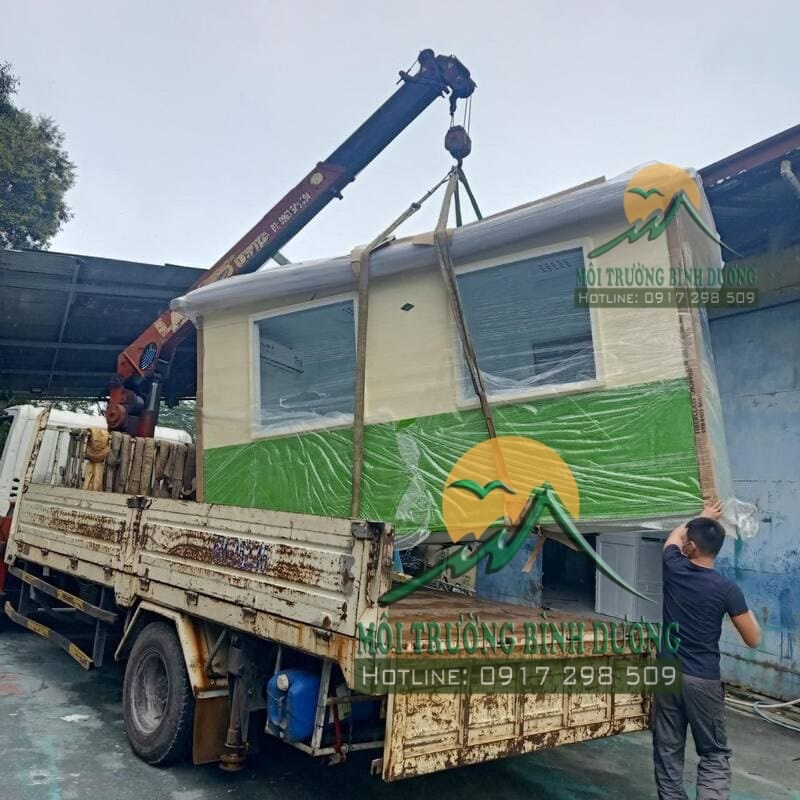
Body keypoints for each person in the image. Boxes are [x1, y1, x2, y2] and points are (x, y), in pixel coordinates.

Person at [652, 500, 761, 800]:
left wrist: (703, 516)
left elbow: (674, 536)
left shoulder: (673, 567)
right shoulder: (727, 589)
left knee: (667, 749)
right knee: (713, 753)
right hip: (702, 680)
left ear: (690, 547)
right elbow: (753, 639)